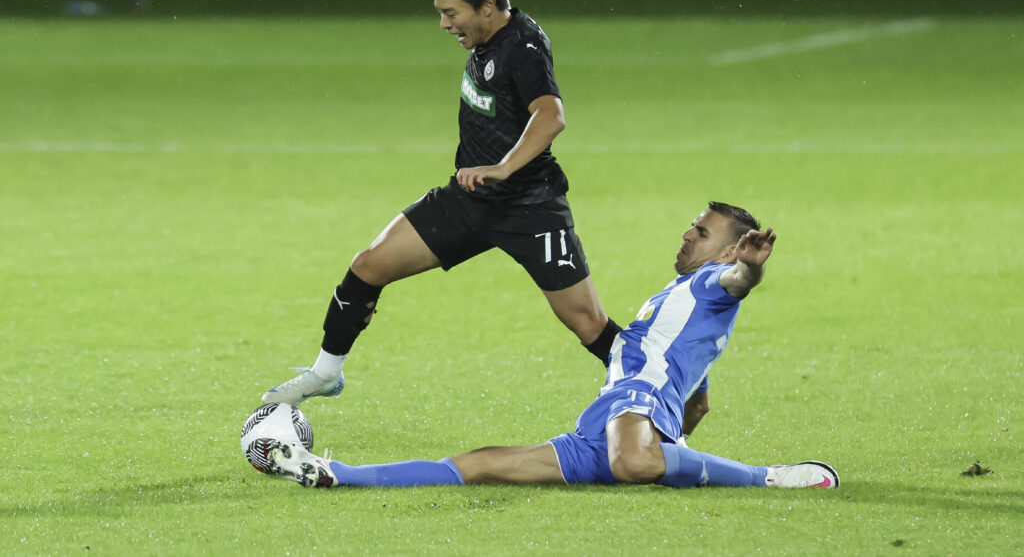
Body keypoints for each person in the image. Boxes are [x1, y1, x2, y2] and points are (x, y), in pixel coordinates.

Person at [261, 0, 620, 406]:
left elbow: (551, 116)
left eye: (452, 13)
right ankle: (325, 373)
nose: (445, 23)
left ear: (488, 8)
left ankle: (657, 385)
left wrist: (502, 167)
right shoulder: (491, 14)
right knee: (368, 266)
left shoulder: (522, 48)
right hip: (469, 199)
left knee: (587, 323)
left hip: (530, 206)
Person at [258, 202, 841, 491]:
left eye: (702, 230)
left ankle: (769, 477)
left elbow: (737, 285)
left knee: (634, 461)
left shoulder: (713, 281)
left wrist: (750, 271)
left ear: (726, 251)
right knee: (483, 463)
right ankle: (338, 474)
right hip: (608, 417)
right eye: (693, 223)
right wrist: (679, 425)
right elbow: (697, 399)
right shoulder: (678, 300)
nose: (689, 232)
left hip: (629, 405)